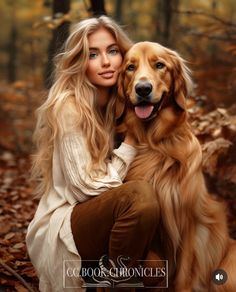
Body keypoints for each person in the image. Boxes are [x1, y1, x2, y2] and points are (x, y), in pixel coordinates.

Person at [26, 16, 159, 292]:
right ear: (79, 62)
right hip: (66, 226)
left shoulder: (122, 102)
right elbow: (86, 187)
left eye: (112, 51)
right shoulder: (68, 106)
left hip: (105, 219)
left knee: (159, 267)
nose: (107, 62)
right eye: (93, 54)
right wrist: (132, 142)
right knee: (141, 198)